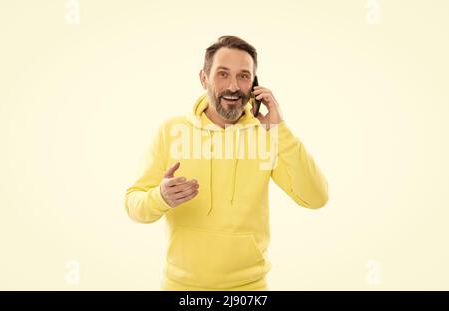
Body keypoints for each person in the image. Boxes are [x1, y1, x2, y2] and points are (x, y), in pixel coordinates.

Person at [124, 35, 329, 291]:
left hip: (249, 290)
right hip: (180, 288)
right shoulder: (171, 130)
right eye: (223, 74)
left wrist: (279, 130)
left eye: (243, 76)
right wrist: (160, 197)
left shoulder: (267, 135)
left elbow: (316, 197)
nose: (233, 86)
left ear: (254, 85)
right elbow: (133, 204)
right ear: (204, 78)